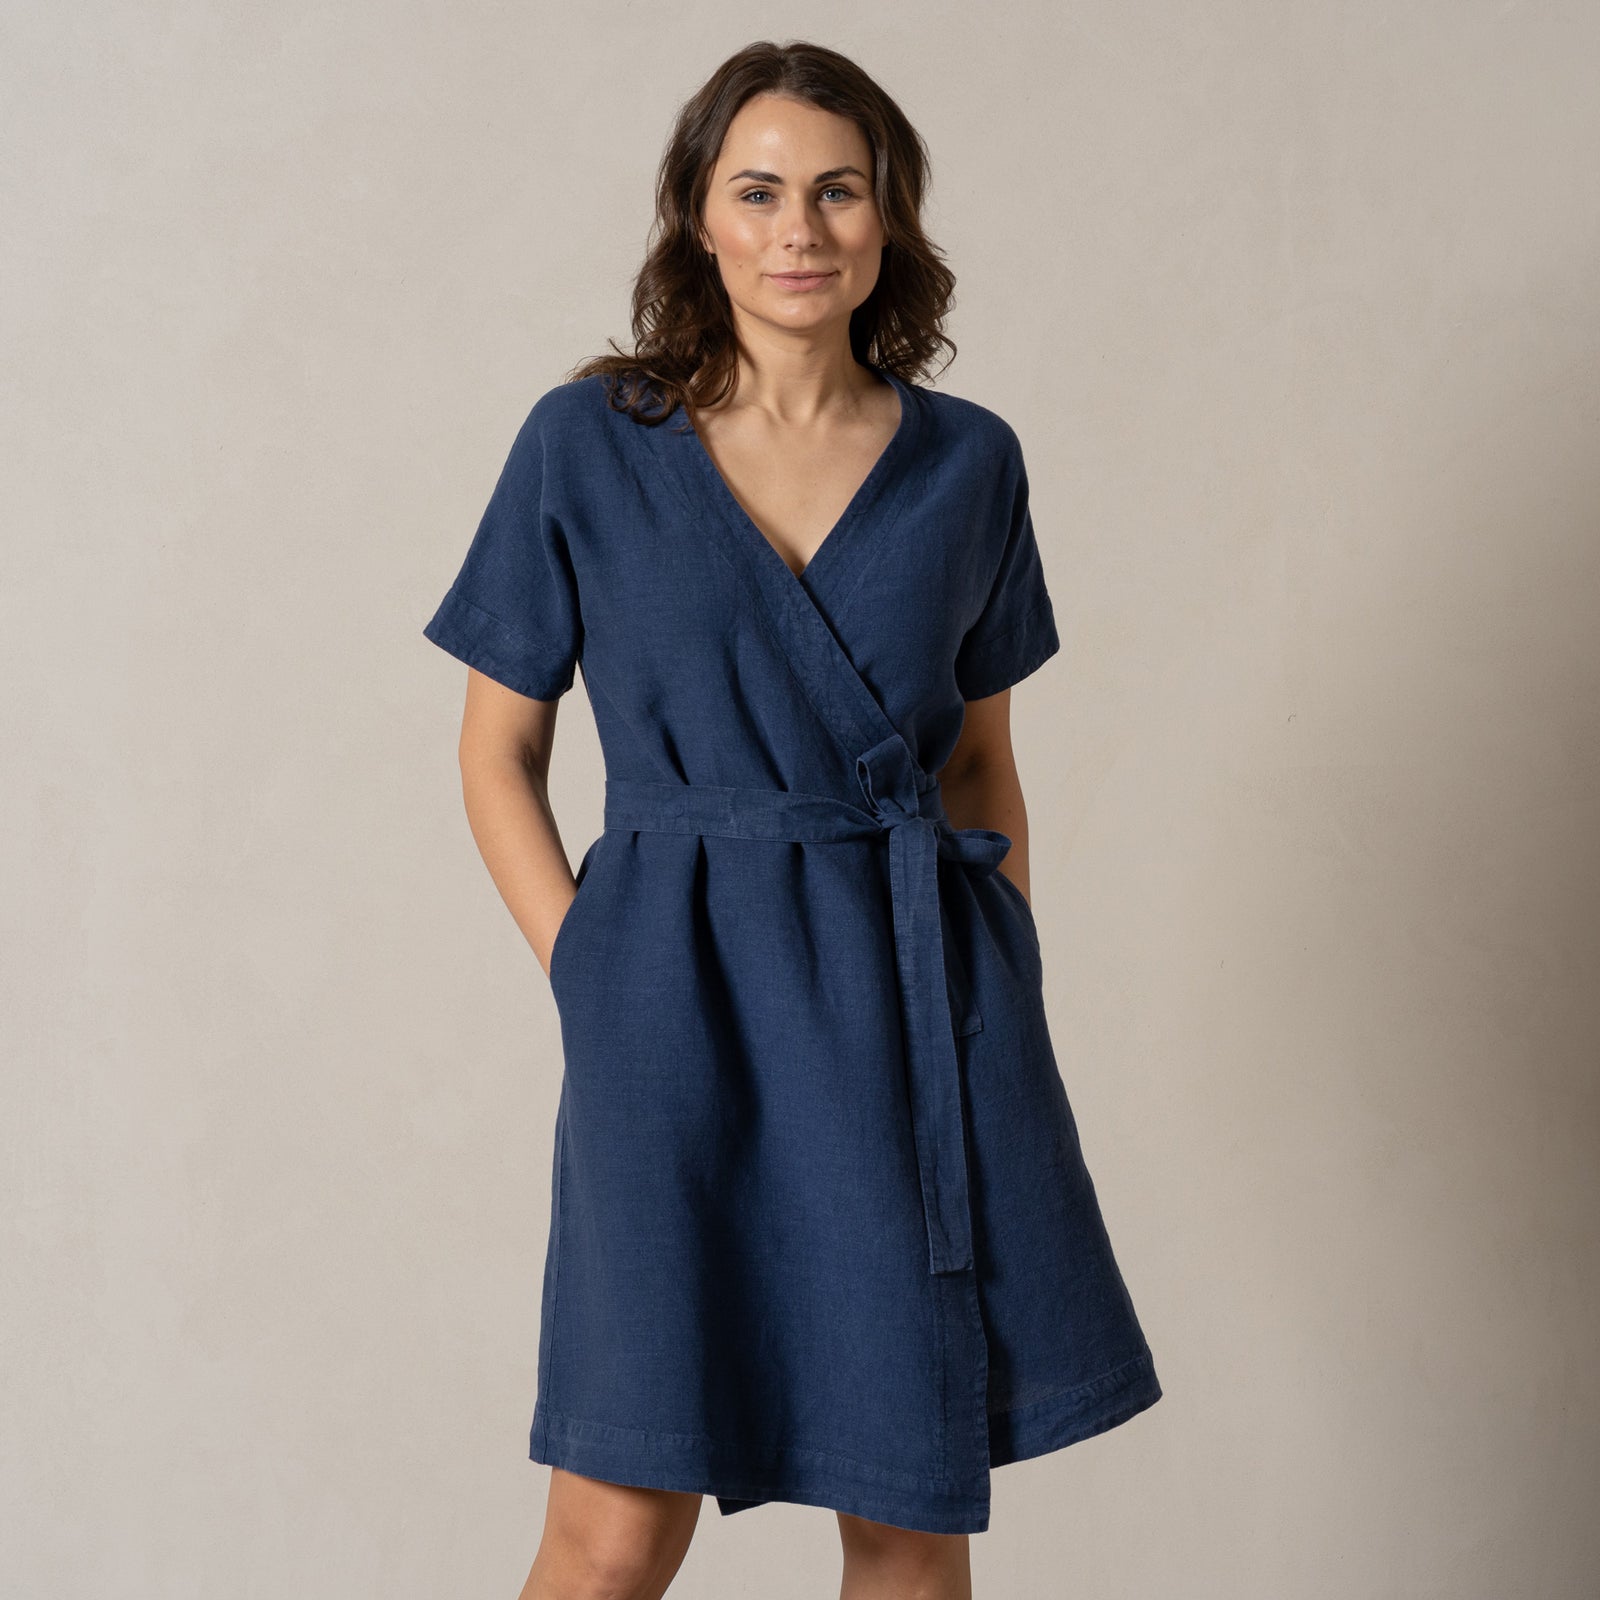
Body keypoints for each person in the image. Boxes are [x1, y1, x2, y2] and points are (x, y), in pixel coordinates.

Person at [423, 39, 1162, 1600]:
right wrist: (591, 970)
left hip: (905, 1007)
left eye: (839, 190)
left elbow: (979, 765)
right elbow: (498, 754)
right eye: (758, 192)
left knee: (905, 1514)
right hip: (668, 1002)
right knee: (616, 1524)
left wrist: (994, 979)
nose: (799, 230)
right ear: (699, 215)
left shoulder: (969, 465)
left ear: (889, 216)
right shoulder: (586, 445)